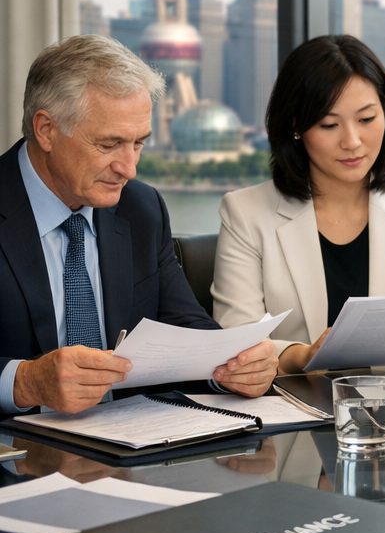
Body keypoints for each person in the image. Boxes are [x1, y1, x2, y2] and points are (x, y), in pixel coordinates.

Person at [0, 36, 278, 415]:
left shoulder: (141, 207)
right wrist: (25, 382)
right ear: (47, 130)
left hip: (128, 452)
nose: (129, 169)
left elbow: (187, 327)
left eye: (139, 143)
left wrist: (235, 366)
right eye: (109, 144)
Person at [212, 35, 385, 376]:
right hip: (294, 418)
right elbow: (237, 340)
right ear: (296, 126)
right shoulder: (245, 212)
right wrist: (302, 356)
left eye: (367, 119)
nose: (353, 142)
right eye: (329, 125)